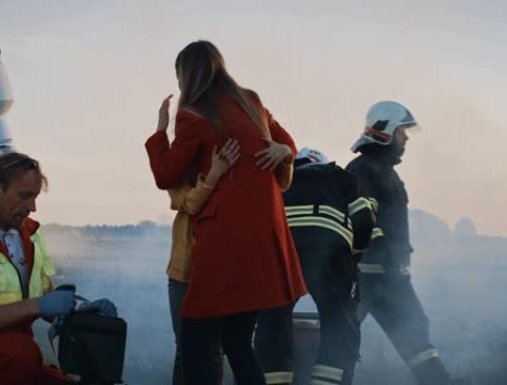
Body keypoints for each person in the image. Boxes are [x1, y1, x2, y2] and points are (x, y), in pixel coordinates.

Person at [145, 40, 306, 385]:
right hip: (265, 238)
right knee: (237, 343)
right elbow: (289, 143)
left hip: (224, 241)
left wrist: (160, 131)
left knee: (195, 343)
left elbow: (165, 176)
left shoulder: (194, 115)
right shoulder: (252, 102)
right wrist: (284, 151)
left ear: (186, 75)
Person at [0, 152, 114, 385]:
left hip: (12, 360)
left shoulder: (31, 236)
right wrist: (38, 306)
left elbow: (46, 301)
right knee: (21, 352)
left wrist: (81, 308)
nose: (32, 207)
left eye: (34, 197)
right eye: (24, 196)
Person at [346, 101, 470, 385]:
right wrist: (381, 260)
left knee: (417, 342)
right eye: (402, 132)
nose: (406, 140)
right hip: (367, 280)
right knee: (341, 344)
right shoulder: (364, 170)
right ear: (385, 132)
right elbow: (361, 224)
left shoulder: (383, 170)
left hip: (390, 278)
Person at [254, 147, 377, 385]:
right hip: (329, 253)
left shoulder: (276, 182)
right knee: (339, 322)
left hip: (281, 252)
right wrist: (354, 258)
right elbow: (364, 219)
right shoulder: (338, 175)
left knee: (273, 324)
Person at [160, 93, 242, 385]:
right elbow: (190, 204)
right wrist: (214, 176)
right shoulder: (178, 169)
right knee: (186, 348)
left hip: (216, 271)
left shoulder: (223, 159)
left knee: (213, 350)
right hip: (183, 275)